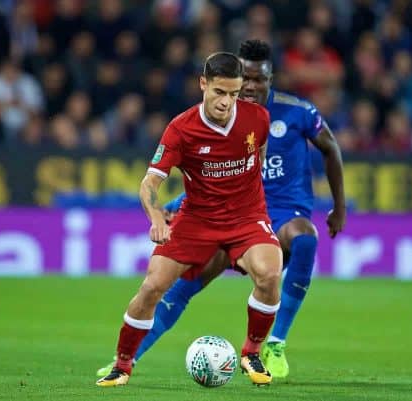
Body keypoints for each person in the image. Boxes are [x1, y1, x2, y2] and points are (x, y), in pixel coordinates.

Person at [97, 39, 346, 379]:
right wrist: (162, 212)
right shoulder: (181, 128)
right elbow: (152, 183)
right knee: (157, 287)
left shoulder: (263, 118)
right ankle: (123, 362)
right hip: (200, 221)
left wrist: (336, 208)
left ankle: (261, 349)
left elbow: (252, 168)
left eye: (236, 92)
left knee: (277, 266)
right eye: (222, 92)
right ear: (203, 84)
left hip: (250, 217)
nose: (230, 101)